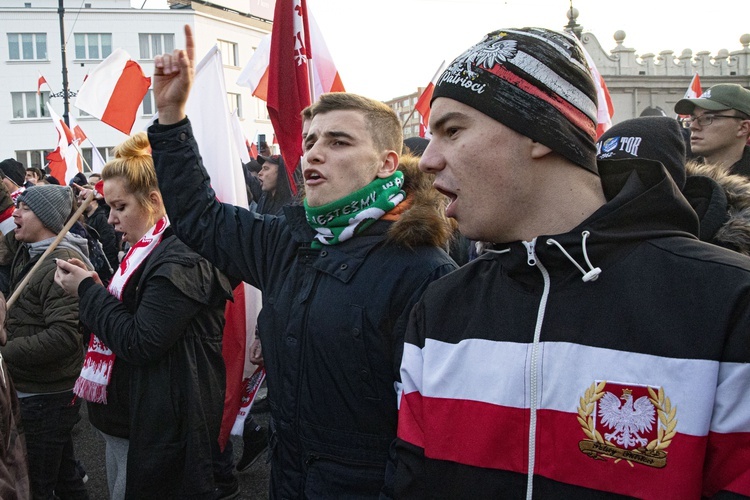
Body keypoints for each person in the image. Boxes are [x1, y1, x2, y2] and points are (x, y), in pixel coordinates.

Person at [392, 27, 750, 498]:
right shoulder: (440, 308)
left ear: (540, 131)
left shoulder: (727, 303)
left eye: (453, 130)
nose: (428, 160)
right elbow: (409, 483)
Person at [148, 25, 456, 498]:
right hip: (289, 480)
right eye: (311, 140)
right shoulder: (286, 241)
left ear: (386, 163)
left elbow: (434, 436)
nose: (314, 152)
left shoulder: (424, 271)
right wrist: (170, 121)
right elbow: (199, 216)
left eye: (338, 142)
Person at [53, 131, 233, 499]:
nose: (112, 220)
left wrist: (88, 291)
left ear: (154, 201)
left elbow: (140, 340)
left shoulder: (179, 256)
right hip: (129, 418)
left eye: (120, 208)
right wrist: (93, 288)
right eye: (109, 208)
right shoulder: (146, 249)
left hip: (156, 424)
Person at [0, 184, 91, 500]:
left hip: (47, 395)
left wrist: (4, 352)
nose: (16, 214)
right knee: (66, 478)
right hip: (35, 389)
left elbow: (64, 337)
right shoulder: (30, 252)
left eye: (24, 209)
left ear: (47, 219)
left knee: (37, 485)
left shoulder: (60, 264)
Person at [674, 83, 750, 177]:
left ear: (743, 128)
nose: (693, 126)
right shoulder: (678, 179)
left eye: (708, 118)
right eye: (693, 118)